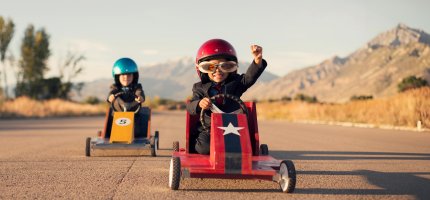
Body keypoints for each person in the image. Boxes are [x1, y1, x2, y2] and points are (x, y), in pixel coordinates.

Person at [186, 39, 267, 155]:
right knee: (203, 148)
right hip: (208, 129)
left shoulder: (236, 83)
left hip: (234, 128)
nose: (218, 71)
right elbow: (190, 107)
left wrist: (257, 60)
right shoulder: (199, 87)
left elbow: (250, 78)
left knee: (243, 147)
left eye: (225, 66)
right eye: (211, 67)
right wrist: (199, 103)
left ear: (232, 68)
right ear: (202, 69)